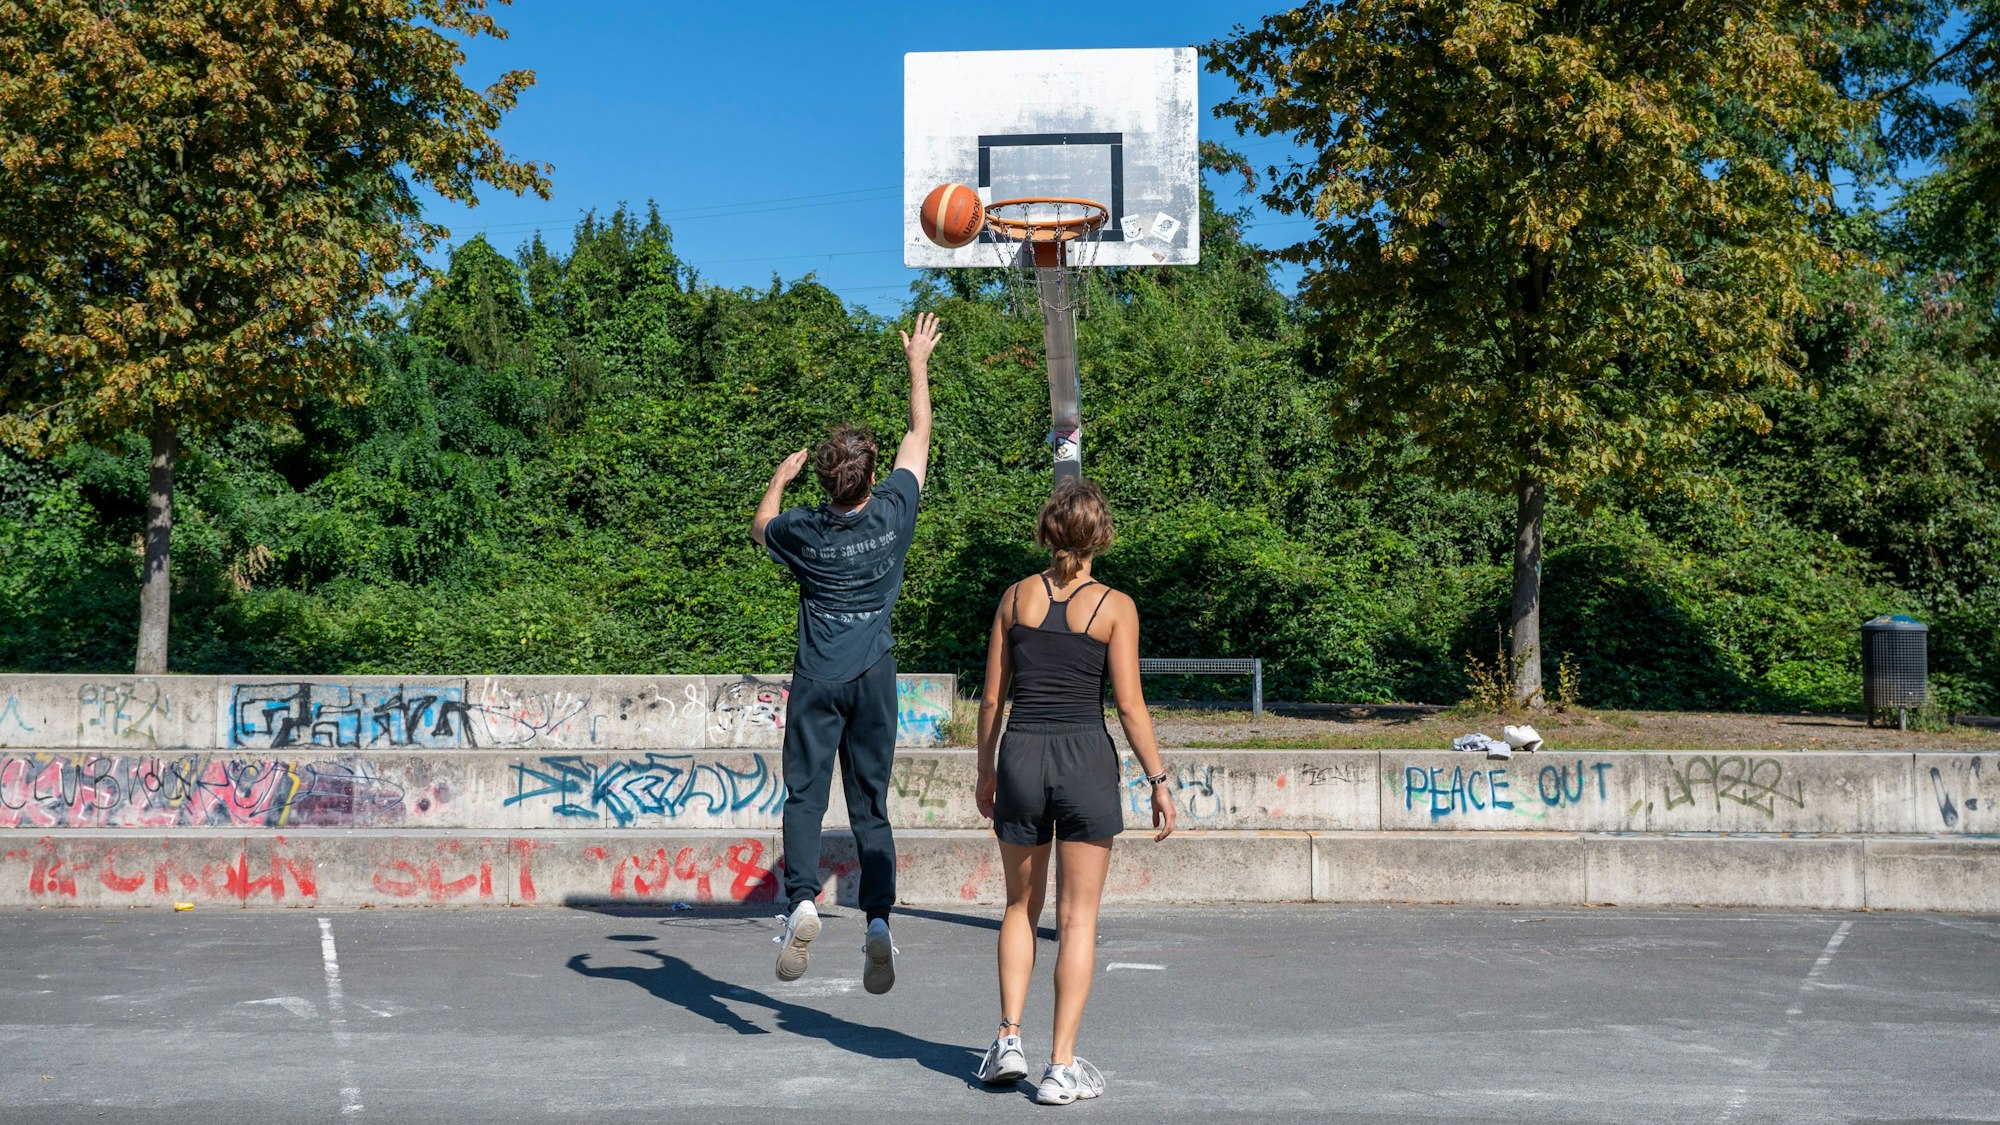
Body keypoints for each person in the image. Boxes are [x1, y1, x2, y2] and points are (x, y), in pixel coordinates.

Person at [751, 311, 942, 994]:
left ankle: (802, 900)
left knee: (805, 795)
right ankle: (880, 922)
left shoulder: (803, 529)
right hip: (873, 675)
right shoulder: (894, 512)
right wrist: (916, 360)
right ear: (867, 479)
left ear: (826, 484)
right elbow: (917, 436)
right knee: (872, 805)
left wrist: (778, 477)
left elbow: (760, 525)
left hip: (816, 677)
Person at [971, 479, 1175, 1105]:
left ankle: (1008, 1038)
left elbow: (991, 699)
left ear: (1047, 530)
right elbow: (1131, 706)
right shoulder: (1116, 606)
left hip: (1023, 755)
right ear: (1100, 537)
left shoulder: (1013, 598)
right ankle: (1060, 1066)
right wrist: (1158, 780)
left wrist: (985, 770)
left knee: (1018, 909)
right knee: (1078, 917)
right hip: (1085, 756)